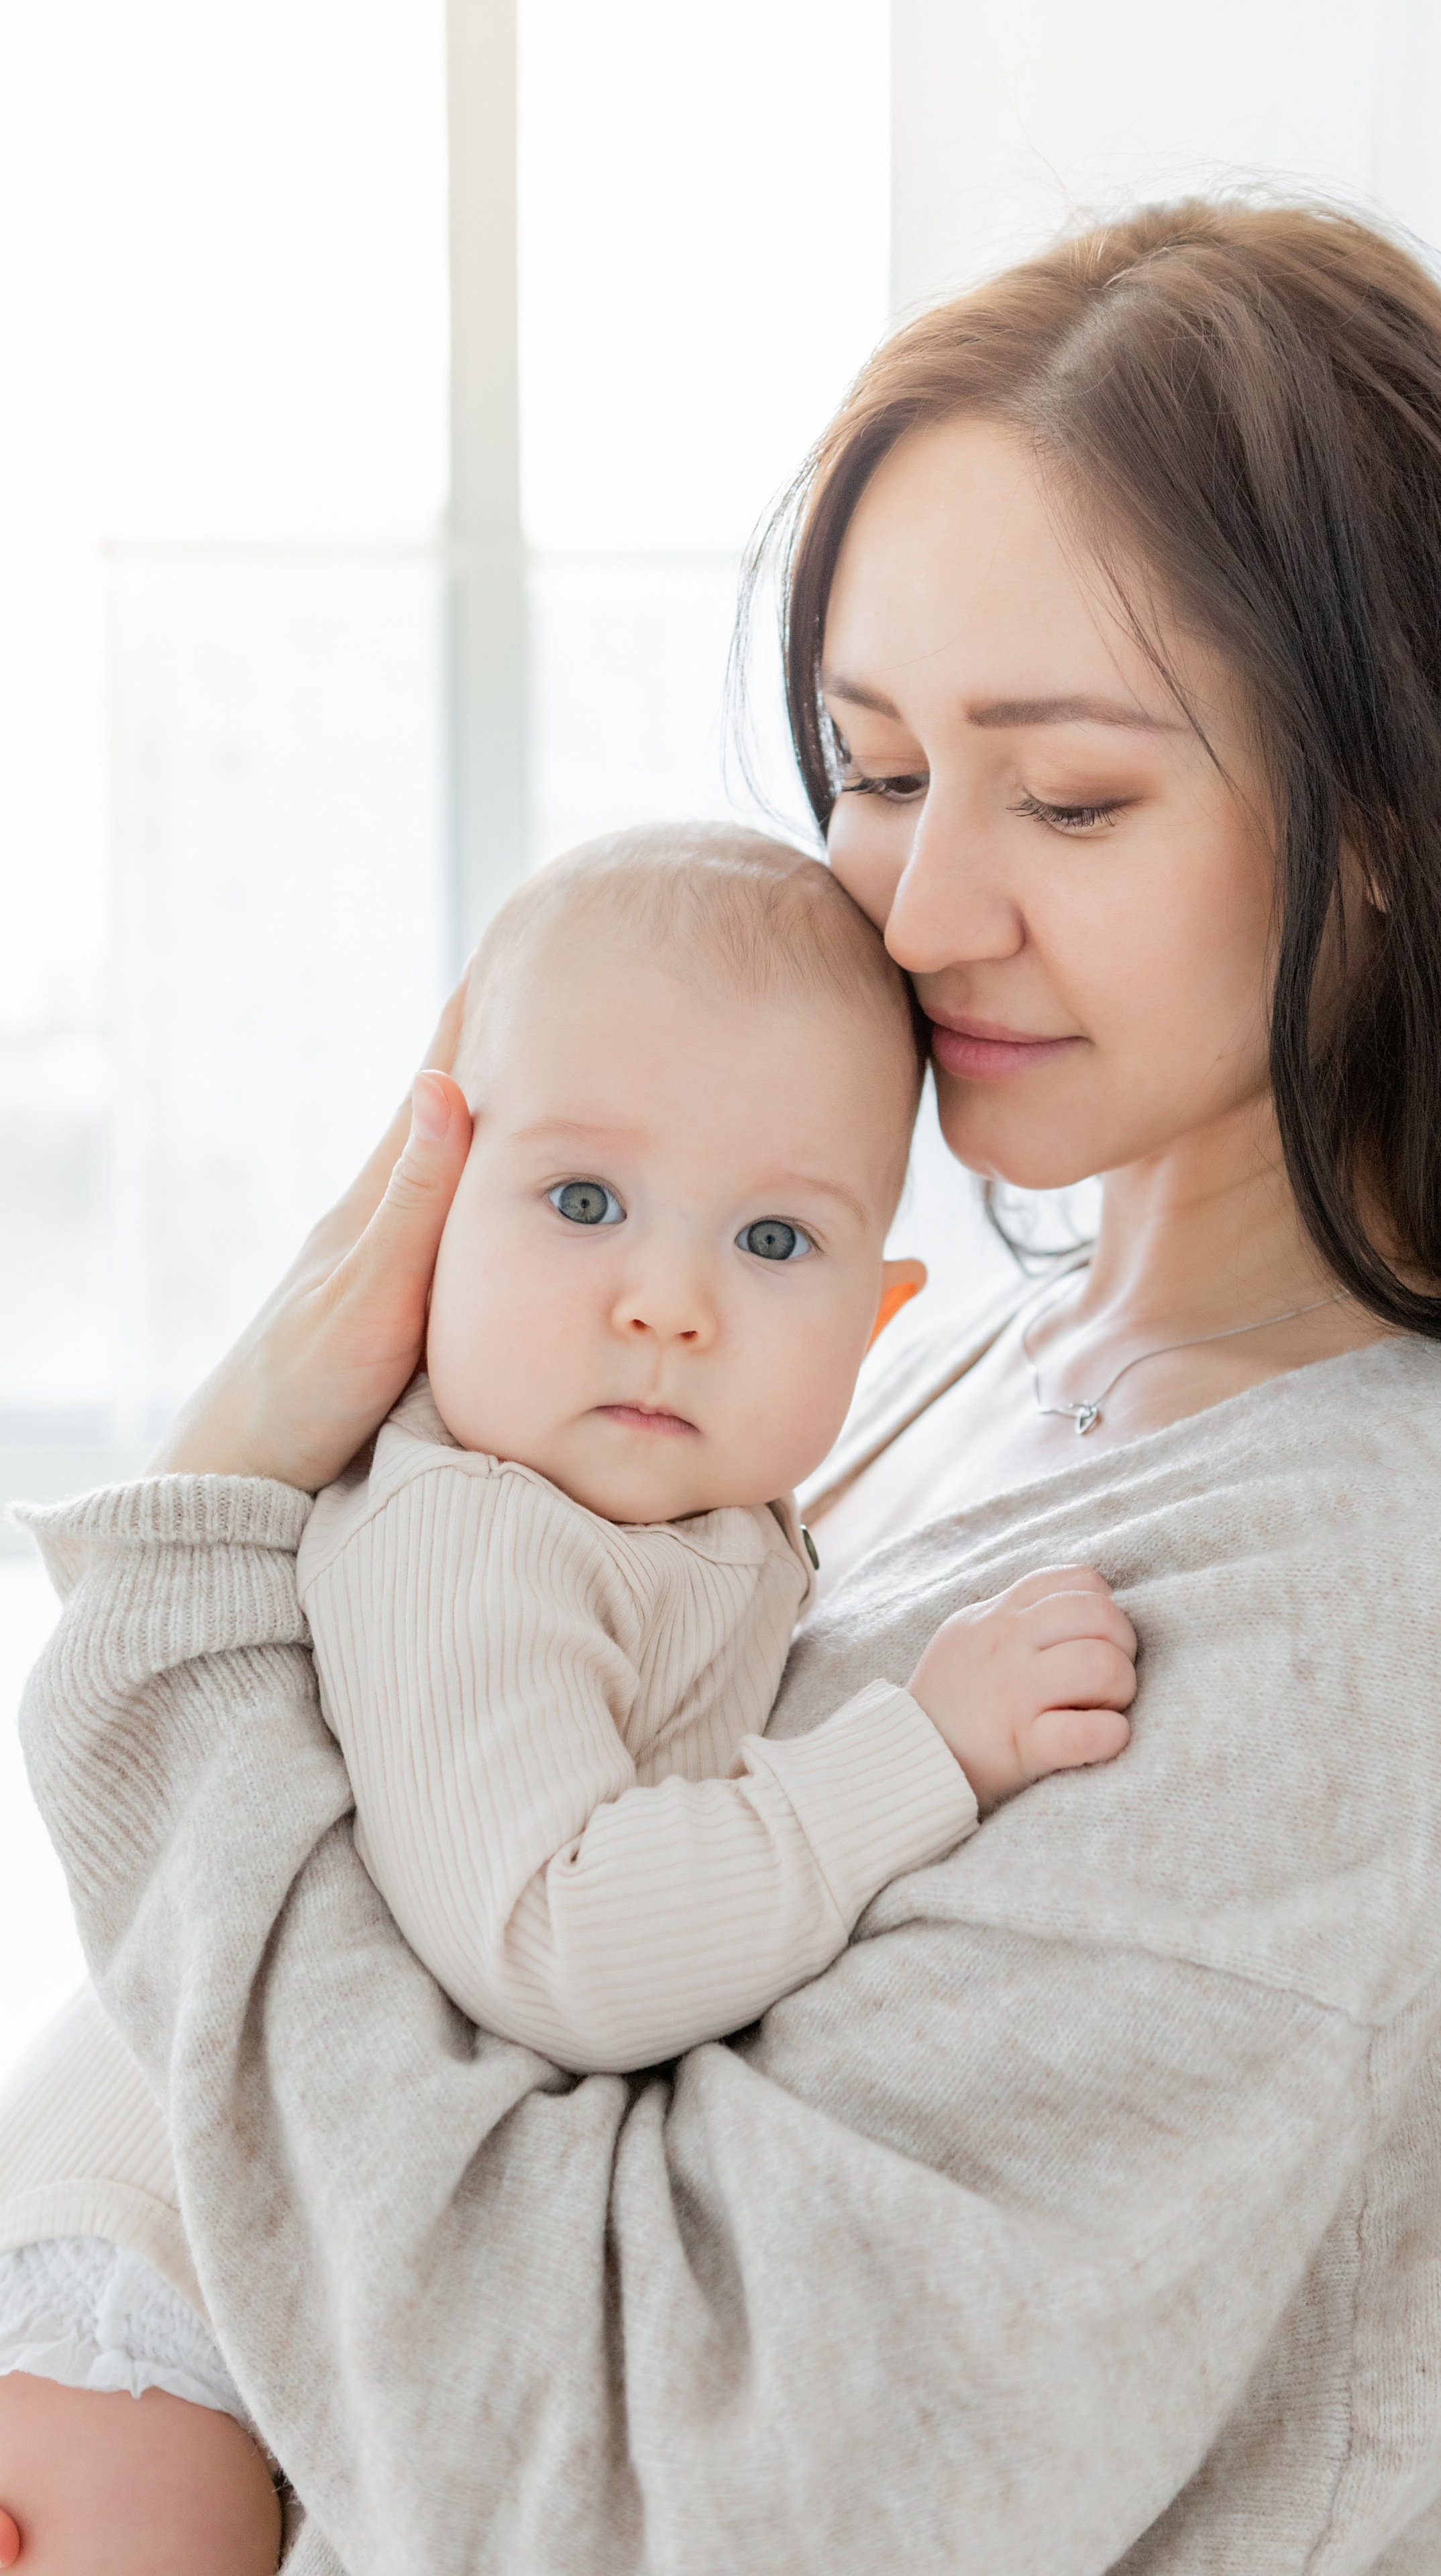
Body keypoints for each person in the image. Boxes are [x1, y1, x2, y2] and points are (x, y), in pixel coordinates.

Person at [0, 196, 1441, 2575]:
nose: (914, 913)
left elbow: (652, 2475)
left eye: (1074, 799)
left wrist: (187, 1619)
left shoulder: (1415, 1564)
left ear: (1396, 817)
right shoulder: (941, 1367)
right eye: (876, 767)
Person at [0, 822, 1138, 2530]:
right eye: (583, 1203)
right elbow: (563, 1942)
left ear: (877, 1312)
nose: (668, 1301)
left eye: (772, 1243)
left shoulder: (703, 1515)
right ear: (432, 1213)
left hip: (273, 2219)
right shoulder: (477, 1538)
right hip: (147, 2288)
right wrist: (925, 1752)